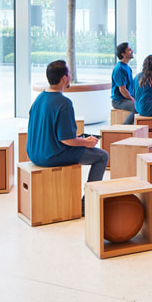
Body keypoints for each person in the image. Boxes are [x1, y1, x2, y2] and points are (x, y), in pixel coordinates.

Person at [27, 59, 108, 211]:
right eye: (69, 72)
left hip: (34, 153)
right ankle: (87, 204)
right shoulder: (63, 103)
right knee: (102, 156)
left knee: (83, 144)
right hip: (52, 155)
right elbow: (67, 140)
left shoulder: (39, 98)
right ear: (64, 78)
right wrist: (86, 142)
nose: (70, 75)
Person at [110, 42, 136, 124]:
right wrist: (133, 100)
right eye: (129, 50)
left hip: (126, 99)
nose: (132, 51)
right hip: (119, 101)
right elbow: (123, 90)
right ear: (123, 54)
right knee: (137, 108)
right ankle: (124, 128)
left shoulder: (127, 67)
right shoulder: (119, 69)